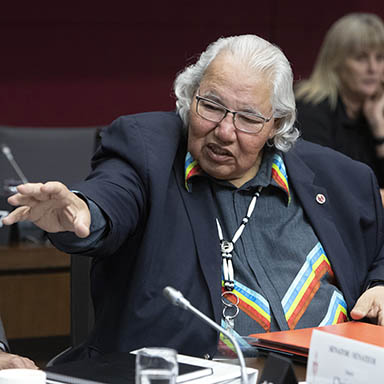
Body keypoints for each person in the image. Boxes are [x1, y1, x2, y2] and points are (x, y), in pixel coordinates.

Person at [2, 34, 384, 363]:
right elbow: (112, 196)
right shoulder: (147, 149)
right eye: (211, 106)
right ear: (189, 96)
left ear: (277, 125)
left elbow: (379, 251)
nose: (223, 131)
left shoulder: (342, 179)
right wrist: (85, 212)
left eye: (248, 118)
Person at [295, 13, 384, 200]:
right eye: (361, 58)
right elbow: (322, 188)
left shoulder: (375, 110)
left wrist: (379, 129)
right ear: (336, 62)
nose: (373, 68)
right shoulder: (310, 110)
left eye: (380, 57)